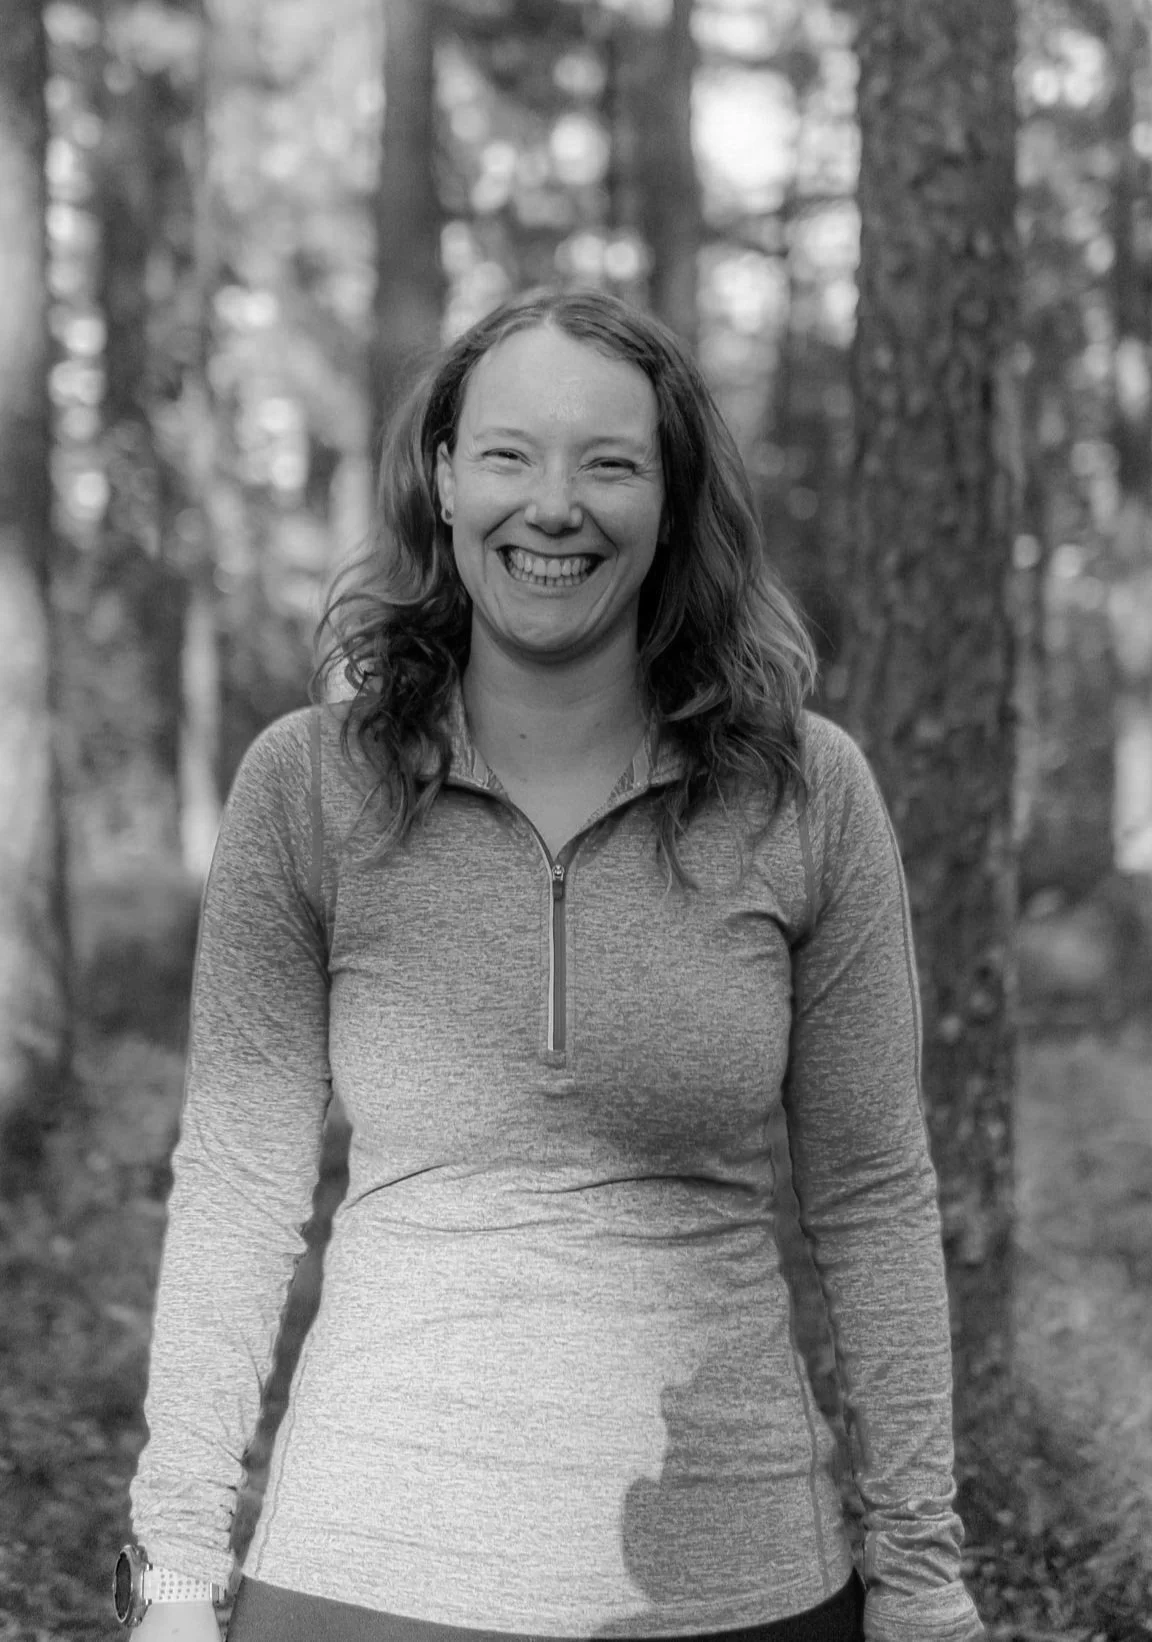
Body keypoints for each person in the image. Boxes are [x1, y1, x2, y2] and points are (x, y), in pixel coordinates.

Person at [121, 287, 987, 1642]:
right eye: (512, 453)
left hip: (736, 1576)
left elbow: (875, 1197)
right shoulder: (306, 786)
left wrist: (923, 1580)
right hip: (366, 1567)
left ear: (672, 498)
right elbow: (236, 1187)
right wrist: (174, 1569)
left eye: (611, 461)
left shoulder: (807, 792)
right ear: (445, 475)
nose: (555, 504)